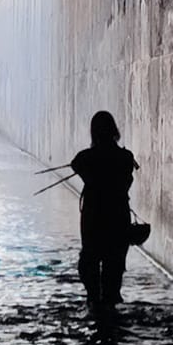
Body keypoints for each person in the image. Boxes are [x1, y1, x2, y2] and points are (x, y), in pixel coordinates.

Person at [70, 110, 138, 306]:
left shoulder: (87, 157)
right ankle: (111, 315)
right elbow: (126, 180)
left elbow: (76, 163)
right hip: (118, 218)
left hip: (94, 219)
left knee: (89, 263)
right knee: (114, 269)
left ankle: (94, 304)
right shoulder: (125, 157)